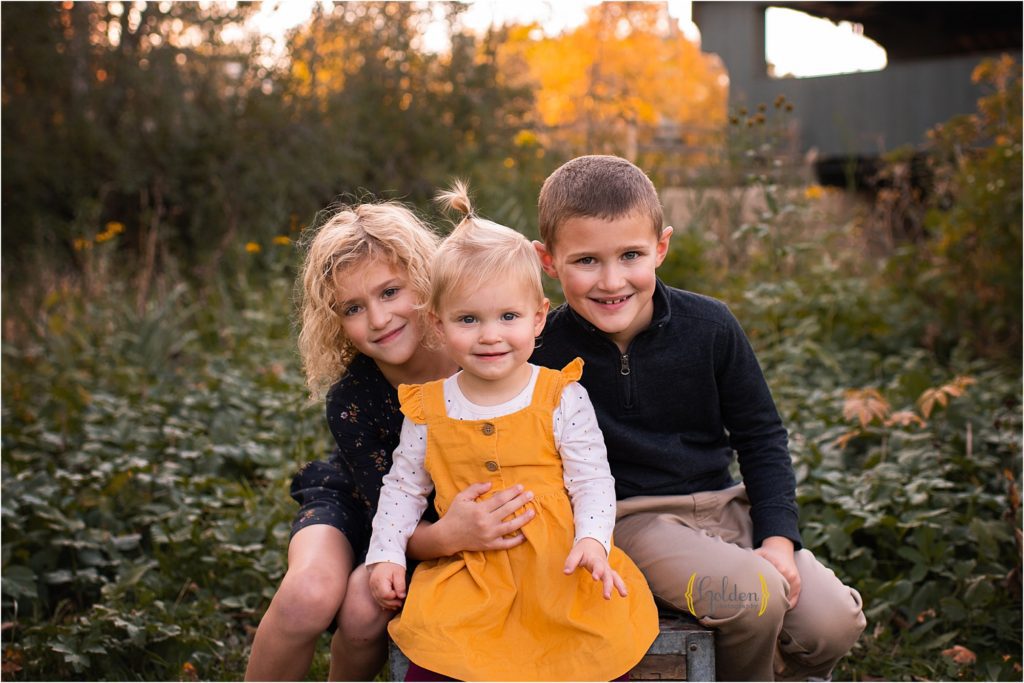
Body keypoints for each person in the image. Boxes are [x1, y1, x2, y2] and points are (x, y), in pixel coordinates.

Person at [529, 155, 867, 681]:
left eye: (631, 255)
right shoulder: (541, 350)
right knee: (753, 598)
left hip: (728, 507)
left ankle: (778, 669)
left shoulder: (710, 326)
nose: (612, 280)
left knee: (834, 621)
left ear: (661, 247)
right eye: (586, 261)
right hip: (634, 521)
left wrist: (777, 538)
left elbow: (761, 436)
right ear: (548, 261)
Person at [365, 182, 659, 682]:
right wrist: (387, 553)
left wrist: (592, 540)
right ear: (437, 325)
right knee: (442, 653)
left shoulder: (559, 395)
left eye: (508, 316)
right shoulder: (429, 407)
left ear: (538, 318)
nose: (491, 335)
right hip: (472, 573)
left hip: (557, 570)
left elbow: (591, 480)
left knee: (594, 649)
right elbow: (403, 487)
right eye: (468, 319)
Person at [245, 201, 537, 681]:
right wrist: (448, 536)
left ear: (426, 280)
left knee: (364, 611)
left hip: (447, 515)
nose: (378, 318)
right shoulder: (352, 399)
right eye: (353, 308)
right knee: (308, 596)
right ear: (333, 320)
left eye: (390, 291)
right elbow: (390, 516)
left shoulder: (483, 347)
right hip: (368, 502)